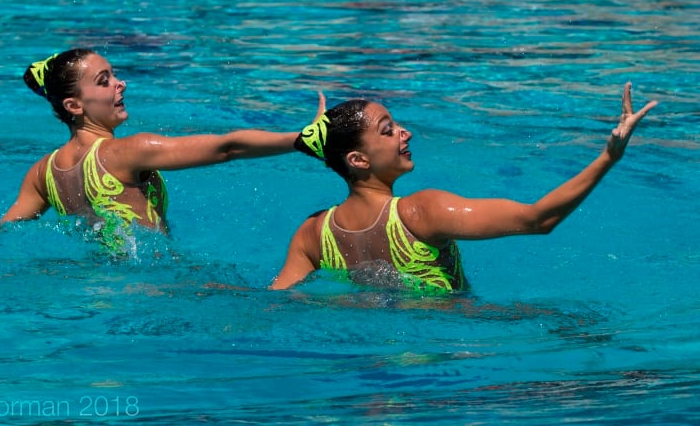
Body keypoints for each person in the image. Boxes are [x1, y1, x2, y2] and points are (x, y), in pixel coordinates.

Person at [270, 83, 658, 293]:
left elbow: (277, 303)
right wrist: (609, 157)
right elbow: (539, 219)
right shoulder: (422, 212)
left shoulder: (313, 233)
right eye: (388, 131)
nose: (405, 133)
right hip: (444, 357)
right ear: (358, 160)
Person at [0, 48, 311, 248]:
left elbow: (1, 233)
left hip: (97, 289)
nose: (120, 84)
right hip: (153, 285)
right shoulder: (128, 152)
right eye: (104, 81)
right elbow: (226, 148)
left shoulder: (43, 173)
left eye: (114, 75)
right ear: (74, 105)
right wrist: (301, 139)